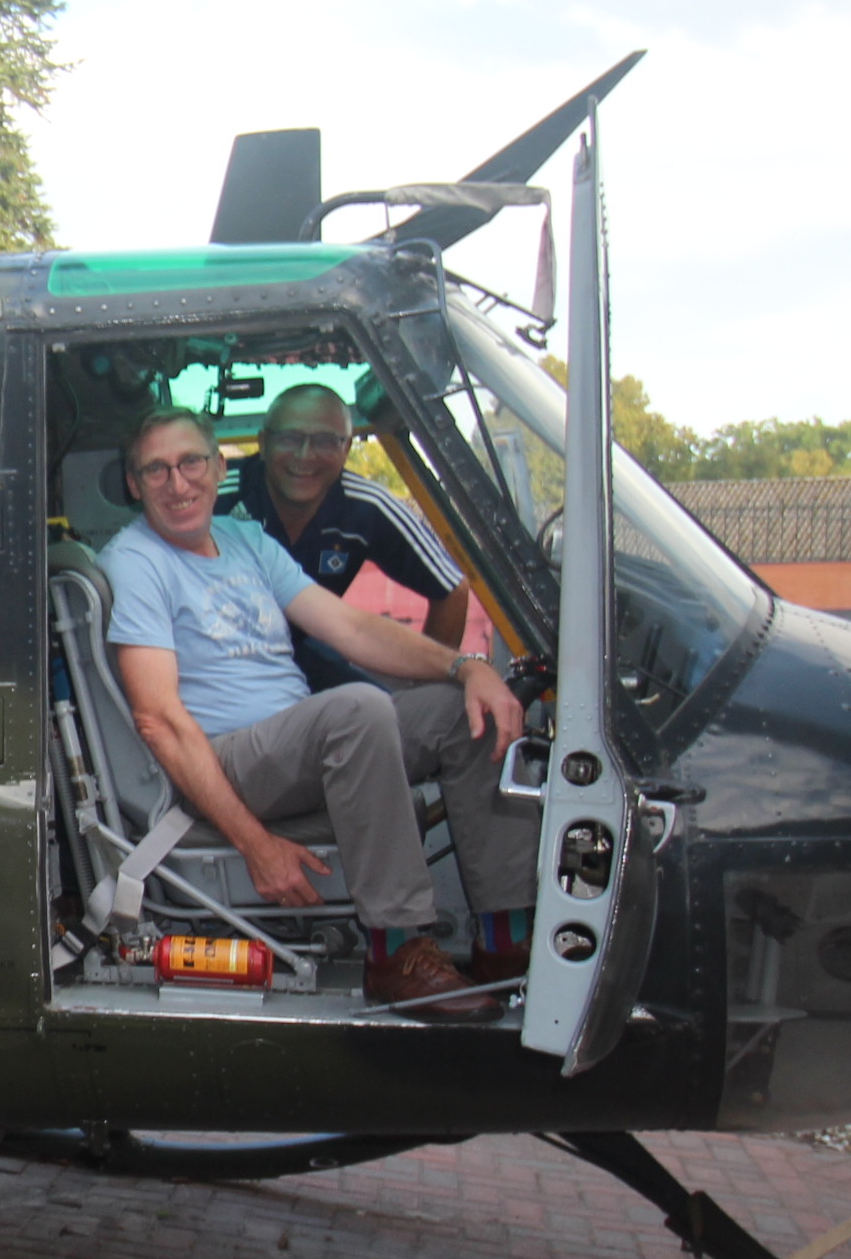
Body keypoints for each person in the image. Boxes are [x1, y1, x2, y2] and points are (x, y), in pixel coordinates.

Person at [101, 407, 534, 1022]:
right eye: (157, 470)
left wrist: (469, 668)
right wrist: (256, 845)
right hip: (223, 758)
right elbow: (159, 720)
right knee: (355, 710)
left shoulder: (246, 540)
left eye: (192, 462)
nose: (178, 484)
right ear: (133, 484)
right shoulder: (136, 560)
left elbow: (350, 627)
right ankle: (397, 950)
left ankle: (505, 943)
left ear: (220, 467)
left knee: (462, 713)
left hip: (294, 745)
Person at [230, 381, 471, 691]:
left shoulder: (367, 507)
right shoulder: (214, 495)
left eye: (325, 441)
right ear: (262, 443)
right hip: (213, 661)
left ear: (346, 448)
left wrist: (425, 691)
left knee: (377, 710)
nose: (305, 455)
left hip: (297, 652)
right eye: (290, 438)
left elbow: (452, 589)